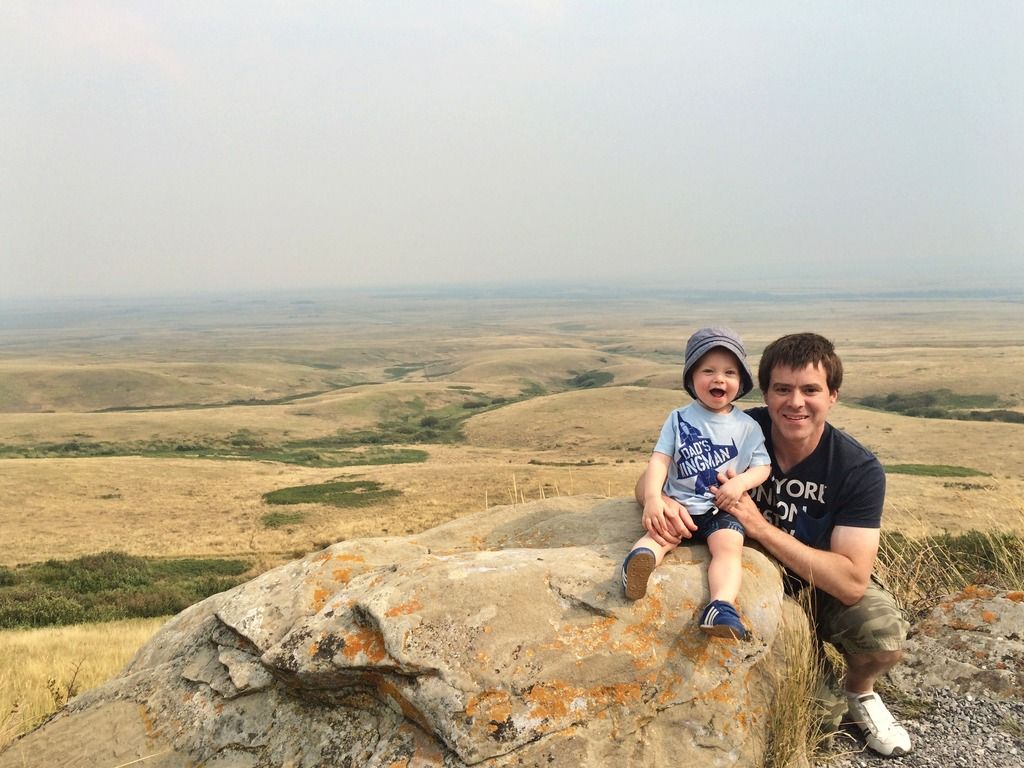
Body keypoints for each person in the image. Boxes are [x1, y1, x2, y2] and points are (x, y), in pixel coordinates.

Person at [633, 332, 912, 758]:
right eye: (782, 389)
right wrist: (661, 501)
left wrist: (760, 528)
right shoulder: (739, 427)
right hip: (755, 578)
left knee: (881, 635)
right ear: (765, 392)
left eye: (810, 390)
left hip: (820, 583)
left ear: (832, 395)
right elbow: (660, 473)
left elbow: (853, 582)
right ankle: (814, 669)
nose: (795, 402)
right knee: (816, 714)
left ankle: (862, 692)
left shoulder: (857, 469)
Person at [621, 327, 770, 641]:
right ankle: (637, 565)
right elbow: (660, 459)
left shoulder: (748, 426)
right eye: (708, 371)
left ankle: (720, 606)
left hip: (721, 509)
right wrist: (653, 499)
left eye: (730, 372)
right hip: (681, 506)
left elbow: (763, 466)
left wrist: (740, 483)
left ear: (741, 383)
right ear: (691, 379)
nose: (719, 379)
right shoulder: (678, 418)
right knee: (660, 534)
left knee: (728, 548)